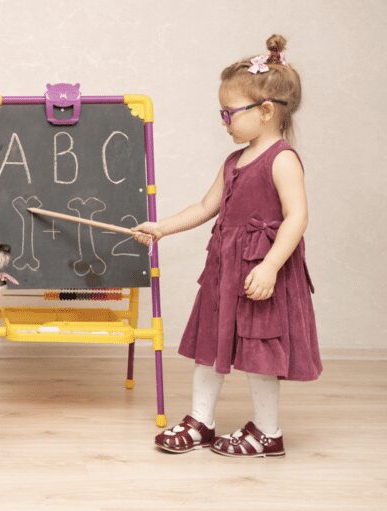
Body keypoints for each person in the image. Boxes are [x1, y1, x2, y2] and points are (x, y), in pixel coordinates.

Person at [134, 34, 322, 457]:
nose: (224, 121)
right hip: (225, 270)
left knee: (259, 352)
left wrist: (271, 266)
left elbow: (297, 217)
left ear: (267, 111)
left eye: (229, 112)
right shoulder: (234, 161)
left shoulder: (282, 158)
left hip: (259, 271)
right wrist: (162, 227)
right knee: (208, 345)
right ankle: (201, 420)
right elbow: (206, 206)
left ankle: (268, 432)